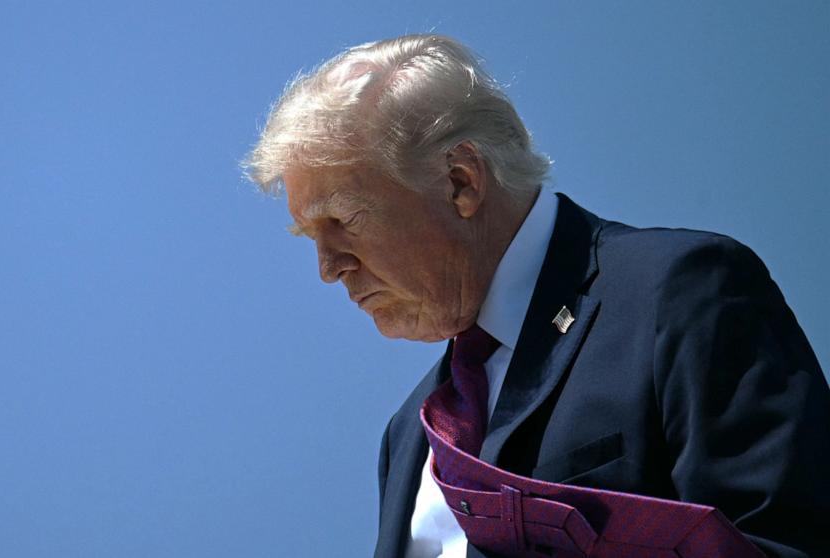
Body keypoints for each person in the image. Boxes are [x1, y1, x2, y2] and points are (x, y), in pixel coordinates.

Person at [243, 34, 829, 558]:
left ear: (461, 181)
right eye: (310, 238)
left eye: (341, 220)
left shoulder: (679, 291)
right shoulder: (410, 433)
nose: (327, 268)